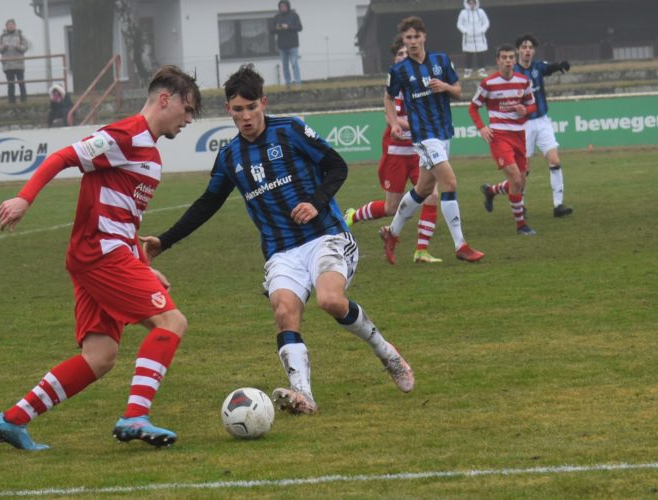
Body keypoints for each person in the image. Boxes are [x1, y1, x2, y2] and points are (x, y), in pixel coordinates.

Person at [148, 64, 414, 416]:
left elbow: (337, 166)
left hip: (326, 236)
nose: (246, 117)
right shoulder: (230, 157)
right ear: (229, 109)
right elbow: (207, 203)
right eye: (238, 110)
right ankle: (303, 394)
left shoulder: (290, 130)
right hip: (281, 251)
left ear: (263, 103)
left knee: (331, 300)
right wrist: (164, 241)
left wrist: (315, 203)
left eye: (252, 108)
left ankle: (388, 354)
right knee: (285, 311)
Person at [0, 65, 202, 451]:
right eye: (187, 109)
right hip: (100, 255)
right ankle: (135, 415)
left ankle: (13, 420)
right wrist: (25, 197)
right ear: (165, 99)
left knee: (99, 356)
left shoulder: (150, 154)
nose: (189, 119)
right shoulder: (126, 134)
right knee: (172, 322)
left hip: (105, 255)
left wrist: (144, 266)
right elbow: (62, 157)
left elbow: (123, 219)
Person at [381, 16, 484, 264]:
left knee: (424, 189)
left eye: (416, 37)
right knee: (449, 182)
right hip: (424, 136)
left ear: (424, 37)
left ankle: (392, 233)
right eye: (408, 38)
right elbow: (388, 97)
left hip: (443, 131)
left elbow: (459, 91)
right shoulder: (399, 70)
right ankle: (461, 245)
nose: (413, 42)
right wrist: (394, 122)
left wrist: (445, 87)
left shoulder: (441, 60)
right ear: (403, 41)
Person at [344, 36, 442, 264]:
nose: (404, 58)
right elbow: (392, 116)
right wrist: (405, 124)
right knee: (391, 207)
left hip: (419, 150)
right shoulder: (393, 86)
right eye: (400, 54)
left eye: (407, 54)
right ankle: (353, 215)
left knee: (432, 195)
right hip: (397, 153)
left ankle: (421, 251)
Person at [471, 44, 537, 235]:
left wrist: (526, 110)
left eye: (511, 57)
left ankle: (491, 191)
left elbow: (532, 106)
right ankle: (521, 225)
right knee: (516, 179)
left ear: (515, 60)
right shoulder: (488, 83)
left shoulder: (523, 81)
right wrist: (482, 127)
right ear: (498, 61)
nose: (508, 61)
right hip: (499, 137)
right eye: (504, 58)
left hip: (519, 135)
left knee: (520, 183)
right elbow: (473, 107)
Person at [514, 34, 573, 217]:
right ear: (518, 51)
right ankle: (520, 205)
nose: (527, 50)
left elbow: (550, 67)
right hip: (523, 125)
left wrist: (560, 65)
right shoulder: (513, 72)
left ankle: (558, 205)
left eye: (530, 47)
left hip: (542, 120)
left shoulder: (537, 67)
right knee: (524, 168)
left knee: (554, 160)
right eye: (524, 47)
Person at [0, 19, 29, 104]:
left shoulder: (20, 35)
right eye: (9, 25)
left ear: (15, 26)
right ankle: (11, 101)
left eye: (12, 24)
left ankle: (24, 100)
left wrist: (18, 46)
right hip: (8, 65)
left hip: (19, 64)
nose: (11, 26)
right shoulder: (2, 36)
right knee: (10, 84)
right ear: (6, 26)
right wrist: (3, 46)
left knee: (21, 82)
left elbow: (25, 47)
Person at [456, 0, 490, 78]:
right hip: (468, 38)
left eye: (473, 2)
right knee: (468, 55)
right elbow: (459, 24)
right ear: (467, 3)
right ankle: (468, 71)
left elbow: (486, 22)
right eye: (470, 2)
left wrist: (482, 30)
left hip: (479, 37)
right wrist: (465, 31)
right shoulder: (463, 12)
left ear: (476, 3)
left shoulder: (481, 12)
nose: (472, 4)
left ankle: (481, 70)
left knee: (480, 54)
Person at [273, 0, 303, 87]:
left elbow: (299, 27)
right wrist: (277, 28)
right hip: (282, 45)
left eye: (284, 6)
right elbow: (271, 29)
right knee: (285, 66)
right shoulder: (276, 17)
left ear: (288, 6)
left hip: (293, 45)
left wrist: (288, 26)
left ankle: (298, 83)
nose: (283, 8)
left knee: (294, 64)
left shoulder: (294, 15)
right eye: (281, 6)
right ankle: (288, 83)